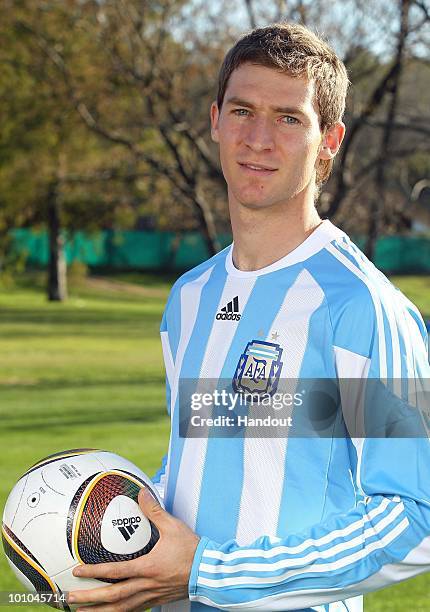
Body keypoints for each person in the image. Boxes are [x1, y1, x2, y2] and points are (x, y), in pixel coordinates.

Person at [69, 22, 430, 612]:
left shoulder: (365, 305)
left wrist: (212, 572)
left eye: (289, 118)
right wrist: (120, 536)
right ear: (215, 120)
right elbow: (198, 458)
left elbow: (418, 515)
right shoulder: (188, 298)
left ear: (331, 139)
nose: (258, 138)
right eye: (242, 110)